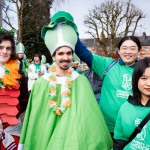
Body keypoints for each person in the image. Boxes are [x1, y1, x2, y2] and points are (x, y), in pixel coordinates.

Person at [18, 11, 113, 150]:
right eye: (60, 53)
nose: (65, 57)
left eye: (69, 53)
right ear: (54, 56)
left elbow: (88, 118)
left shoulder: (81, 81)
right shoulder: (41, 83)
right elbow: (36, 120)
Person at [75, 35, 141, 136]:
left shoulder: (144, 71)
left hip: (132, 130)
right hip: (105, 128)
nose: (128, 51)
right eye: (124, 48)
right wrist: (71, 32)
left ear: (139, 51)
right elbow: (83, 53)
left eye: (132, 48)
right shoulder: (108, 65)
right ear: (118, 50)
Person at [0, 27, 28, 149]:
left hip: (12, 128)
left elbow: (24, 101)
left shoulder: (19, 74)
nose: (4, 51)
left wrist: (11, 114)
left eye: (8, 48)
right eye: (1, 47)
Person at [113, 57, 150, 149]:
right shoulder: (125, 107)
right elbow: (119, 139)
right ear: (136, 80)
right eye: (144, 78)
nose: (149, 83)